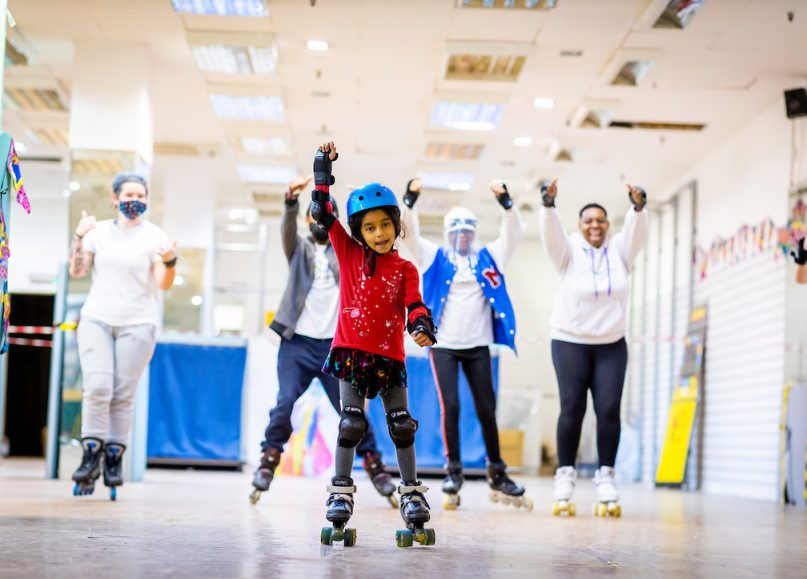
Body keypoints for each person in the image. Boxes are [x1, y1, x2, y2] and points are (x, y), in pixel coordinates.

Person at [310, 142, 437, 548]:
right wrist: (321, 171)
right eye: (369, 227)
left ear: (396, 225)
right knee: (351, 423)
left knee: (401, 425)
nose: (379, 233)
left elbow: (414, 303)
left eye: (385, 224)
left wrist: (420, 326)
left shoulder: (405, 267)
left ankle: (412, 494)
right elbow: (323, 213)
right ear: (358, 232)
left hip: (390, 358)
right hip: (351, 354)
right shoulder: (347, 253)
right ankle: (341, 492)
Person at [250, 174, 396, 506]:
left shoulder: (344, 252)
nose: (318, 220)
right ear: (307, 219)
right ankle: (268, 461)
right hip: (297, 343)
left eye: (324, 215)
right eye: (313, 215)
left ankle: (377, 468)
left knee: (351, 411)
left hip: (336, 347)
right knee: (285, 401)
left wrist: (357, 209)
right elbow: (286, 231)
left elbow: (362, 243)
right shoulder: (299, 249)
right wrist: (290, 202)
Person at [400, 177, 529, 511]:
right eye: (456, 232)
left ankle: (497, 472)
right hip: (443, 345)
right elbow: (409, 233)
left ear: (474, 233)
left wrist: (507, 205)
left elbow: (513, 235)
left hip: (479, 345)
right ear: (447, 233)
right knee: (452, 407)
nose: (462, 237)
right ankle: (453, 471)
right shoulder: (435, 257)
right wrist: (410, 200)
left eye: (468, 232)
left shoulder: (487, 258)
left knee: (487, 409)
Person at [538, 177, 649, 517]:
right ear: (580, 226)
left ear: (608, 225)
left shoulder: (620, 251)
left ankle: (606, 477)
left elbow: (637, 231)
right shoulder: (568, 251)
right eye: (588, 221)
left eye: (600, 220)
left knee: (609, 408)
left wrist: (638, 207)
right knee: (572, 407)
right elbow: (551, 235)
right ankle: (565, 477)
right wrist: (548, 205)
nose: (595, 226)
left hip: (611, 344)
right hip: (570, 340)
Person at [69, 172, 177, 500]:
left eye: (142, 196)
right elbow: (78, 271)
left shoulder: (155, 236)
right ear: (115, 198)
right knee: (98, 387)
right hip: (97, 318)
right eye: (130, 194)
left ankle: (114, 459)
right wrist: (78, 237)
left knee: (122, 393)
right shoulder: (98, 231)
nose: (137, 201)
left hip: (138, 322)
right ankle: (91, 456)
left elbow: (163, 283)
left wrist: (171, 260)